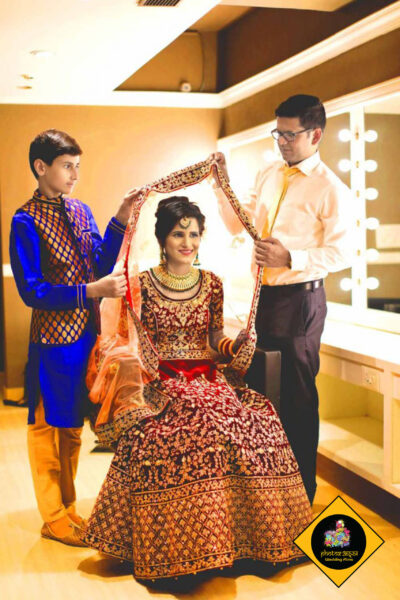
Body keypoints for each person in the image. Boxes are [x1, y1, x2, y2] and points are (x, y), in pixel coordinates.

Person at [81, 195, 314, 580]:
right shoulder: (142, 285)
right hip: (163, 380)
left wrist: (235, 346)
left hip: (209, 377)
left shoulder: (212, 284)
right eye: (178, 234)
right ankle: (197, 547)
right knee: (201, 425)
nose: (187, 242)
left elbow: (214, 338)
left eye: (193, 234)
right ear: (162, 238)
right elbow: (132, 341)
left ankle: (253, 540)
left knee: (256, 422)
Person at [211, 94, 354, 505]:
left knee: (296, 397)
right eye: (278, 133)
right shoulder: (269, 173)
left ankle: (301, 496)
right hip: (265, 299)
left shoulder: (331, 188)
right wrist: (221, 186)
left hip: (301, 303)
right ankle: (268, 493)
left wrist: (289, 257)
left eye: (291, 135)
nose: (283, 142)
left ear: (316, 135)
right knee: (261, 393)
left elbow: (344, 253)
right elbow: (238, 225)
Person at [9, 129, 138, 546]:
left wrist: (120, 216)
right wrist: (92, 291)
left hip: (87, 337)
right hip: (52, 341)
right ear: (41, 167)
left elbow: (99, 262)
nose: (75, 175)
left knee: (73, 427)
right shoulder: (25, 220)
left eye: (77, 166)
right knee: (47, 425)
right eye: (67, 166)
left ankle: (67, 508)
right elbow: (33, 291)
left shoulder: (81, 211)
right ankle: (52, 516)